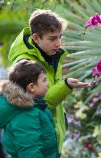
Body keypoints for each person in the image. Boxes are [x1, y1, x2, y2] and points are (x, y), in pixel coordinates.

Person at [8, 9, 92, 153]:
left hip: (48, 143)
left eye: (60, 37)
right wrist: (65, 86)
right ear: (36, 38)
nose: (59, 43)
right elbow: (36, 104)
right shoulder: (25, 64)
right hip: (35, 146)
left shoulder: (49, 55)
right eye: (52, 39)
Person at [0, 60, 59, 158]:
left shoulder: (35, 107)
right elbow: (30, 152)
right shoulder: (26, 115)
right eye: (44, 80)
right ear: (31, 87)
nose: (47, 84)